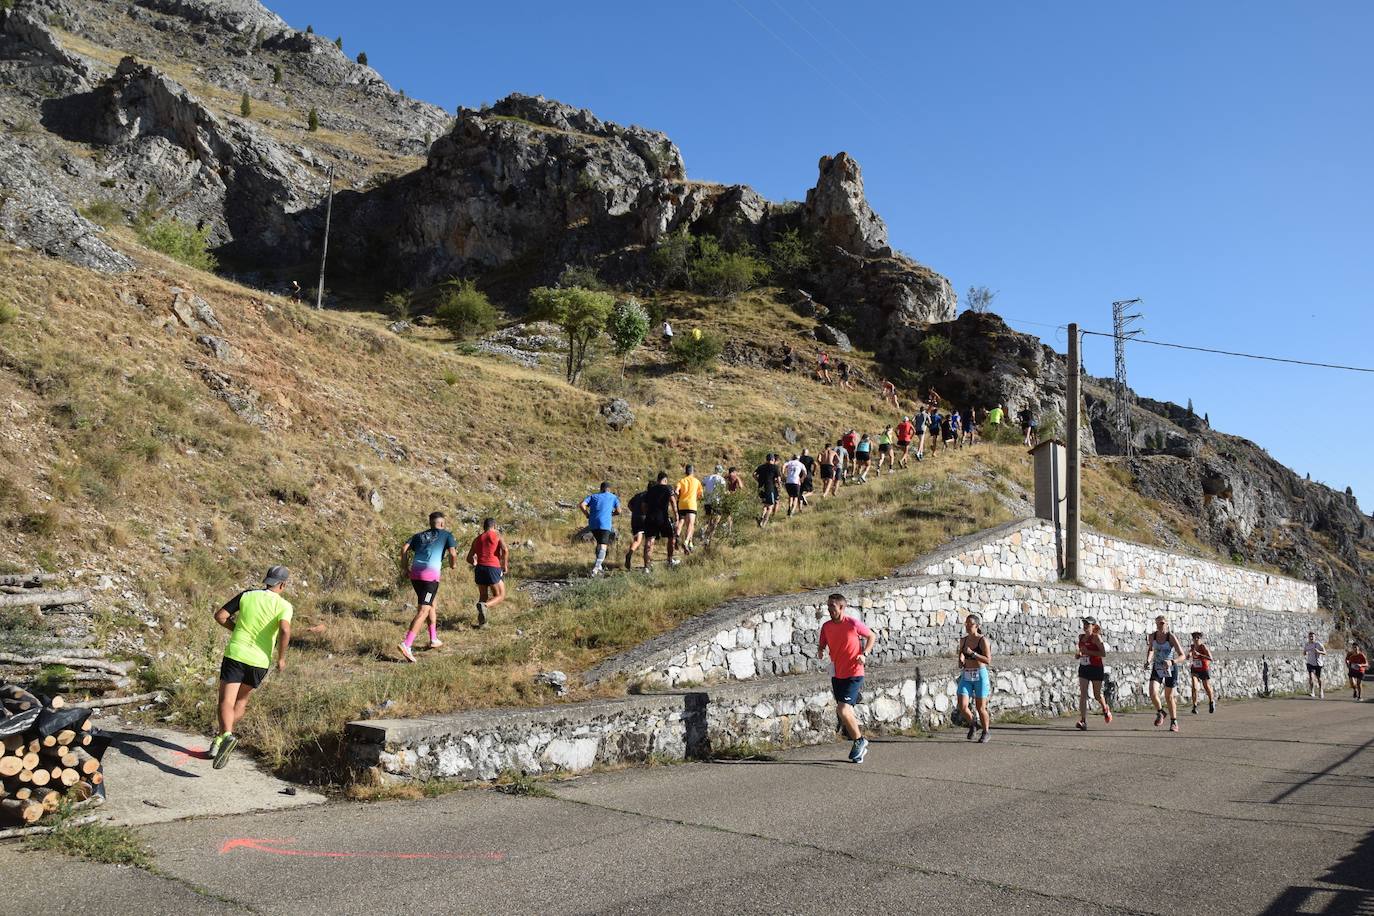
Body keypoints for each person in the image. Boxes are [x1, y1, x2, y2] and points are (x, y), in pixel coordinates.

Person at [210, 566, 293, 769]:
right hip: (260, 661)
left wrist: (236, 628)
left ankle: (226, 736)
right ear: (283, 585)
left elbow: (220, 616)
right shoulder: (285, 606)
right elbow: (284, 629)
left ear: (267, 580)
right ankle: (221, 738)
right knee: (241, 701)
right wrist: (281, 658)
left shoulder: (247, 596)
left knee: (226, 701)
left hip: (236, 654)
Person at [817, 593, 876, 763]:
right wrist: (821, 650)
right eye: (828, 607)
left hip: (854, 672)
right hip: (837, 674)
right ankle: (858, 752)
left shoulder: (852, 623)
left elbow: (871, 636)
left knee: (842, 710)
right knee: (845, 709)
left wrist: (864, 653)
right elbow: (823, 642)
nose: (829, 610)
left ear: (842, 607)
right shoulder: (826, 626)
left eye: (832, 607)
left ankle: (860, 741)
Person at [397, 511, 460, 663]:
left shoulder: (419, 536)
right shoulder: (447, 535)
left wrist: (405, 568)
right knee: (424, 609)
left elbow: (404, 548)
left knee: (432, 603)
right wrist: (453, 564)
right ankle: (407, 644)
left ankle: (433, 639)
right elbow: (453, 553)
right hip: (429, 577)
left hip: (415, 575)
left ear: (430, 523)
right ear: (442, 524)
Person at [956, 613, 992, 743]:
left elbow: (988, 660)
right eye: (966, 624)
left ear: (977, 626)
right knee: (962, 706)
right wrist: (961, 660)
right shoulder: (963, 640)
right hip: (966, 675)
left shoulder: (983, 640)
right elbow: (961, 653)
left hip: (980, 675)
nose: (967, 626)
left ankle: (986, 731)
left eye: (970, 624)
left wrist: (973, 654)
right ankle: (973, 724)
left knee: (980, 708)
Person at [1145, 616, 1186, 732]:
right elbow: (1151, 649)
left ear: (1167, 624)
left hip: (1170, 668)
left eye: (1162, 623)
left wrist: (1172, 662)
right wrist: (1148, 660)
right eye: (1158, 623)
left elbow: (1182, 655)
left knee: (1169, 697)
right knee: (1152, 693)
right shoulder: (1152, 636)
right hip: (1157, 667)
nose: (1160, 626)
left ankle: (1174, 721)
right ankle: (1161, 712)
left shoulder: (1171, 637)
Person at [466, 518, 508, 626]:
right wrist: (504, 565)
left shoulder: (477, 539)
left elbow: (469, 558)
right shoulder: (496, 536)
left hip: (480, 568)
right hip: (493, 567)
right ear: (494, 526)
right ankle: (485, 606)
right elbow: (505, 550)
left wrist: (475, 562)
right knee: (500, 595)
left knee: (483, 596)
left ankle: (482, 623)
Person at [1074, 616, 1112, 730]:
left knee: (1096, 695)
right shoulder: (1081, 637)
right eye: (1084, 624)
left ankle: (1105, 708)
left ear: (1093, 626)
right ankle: (1083, 721)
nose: (1085, 626)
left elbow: (1103, 654)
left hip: (1096, 668)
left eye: (1088, 624)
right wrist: (1079, 655)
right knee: (1083, 694)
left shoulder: (1096, 638)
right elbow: (1080, 652)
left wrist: (1088, 652)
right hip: (1084, 667)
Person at [579, 481, 621, 577]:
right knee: (603, 546)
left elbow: (582, 505)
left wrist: (587, 514)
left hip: (593, 525)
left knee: (599, 543)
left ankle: (600, 568)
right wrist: (612, 514)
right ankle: (596, 568)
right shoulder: (613, 497)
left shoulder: (593, 496)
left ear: (601, 489)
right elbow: (619, 511)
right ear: (609, 489)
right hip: (604, 524)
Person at [642, 472, 679, 570]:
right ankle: (670, 560)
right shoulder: (668, 488)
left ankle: (646, 566)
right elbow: (673, 503)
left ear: (658, 480)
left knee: (649, 541)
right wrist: (677, 517)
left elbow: (644, 506)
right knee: (671, 537)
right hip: (663, 518)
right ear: (665, 480)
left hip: (650, 518)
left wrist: (647, 514)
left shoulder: (650, 490)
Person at [1185, 631, 1216, 715]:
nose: (1196, 639)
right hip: (1195, 668)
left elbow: (1210, 658)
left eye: (1198, 637)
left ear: (1200, 639)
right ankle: (1194, 706)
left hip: (1203, 668)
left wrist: (1200, 654)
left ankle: (1211, 701)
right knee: (1194, 687)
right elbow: (1190, 654)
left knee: (1206, 686)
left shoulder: (1203, 647)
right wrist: (1188, 655)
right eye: (1194, 638)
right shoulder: (1192, 647)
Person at [625, 480, 652, 571]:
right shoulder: (650, 496)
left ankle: (630, 553)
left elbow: (629, 504)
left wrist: (635, 512)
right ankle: (647, 564)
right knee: (649, 540)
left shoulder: (638, 495)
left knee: (637, 540)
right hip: (645, 519)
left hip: (635, 518)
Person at [675, 465, 703, 554]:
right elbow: (701, 495)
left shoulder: (682, 481)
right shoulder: (697, 481)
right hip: (691, 504)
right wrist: (697, 497)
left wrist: (678, 496)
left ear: (685, 472)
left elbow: (676, 491)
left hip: (682, 504)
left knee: (681, 521)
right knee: (690, 525)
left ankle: (677, 536)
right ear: (693, 472)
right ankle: (686, 542)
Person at [701, 465, 727, 546]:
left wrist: (705, 493)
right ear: (721, 471)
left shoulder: (708, 477)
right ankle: (708, 538)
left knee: (708, 519)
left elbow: (702, 484)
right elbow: (723, 491)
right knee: (716, 521)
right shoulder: (721, 479)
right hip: (717, 502)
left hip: (707, 501)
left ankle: (704, 529)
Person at [755, 453, 782, 527]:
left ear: (766, 459)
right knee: (770, 506)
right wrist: (779, 487)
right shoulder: (775, 467)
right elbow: (779, 480)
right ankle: (763, 523)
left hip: (761, 488)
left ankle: (761, 517)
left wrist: (758, 480)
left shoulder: (761, 467)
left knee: (765, 505)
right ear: (773, 459)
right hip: (770, 488)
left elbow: (754, 474)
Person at [1304, 632, 1326, 698]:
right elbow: (1304, 652)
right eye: (1310, 636)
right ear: (1308, 637)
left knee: (1319, 678)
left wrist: (1319, 652)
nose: (1311, 638)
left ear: (1315, 637)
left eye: (1312, 636)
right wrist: (1305, 653)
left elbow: (1325, 652)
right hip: (1310, 663)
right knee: (1311, 677)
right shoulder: (1307, 644)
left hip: (1318, 664)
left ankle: (1321, 691)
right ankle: (1312, 692)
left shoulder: (1318, 644)